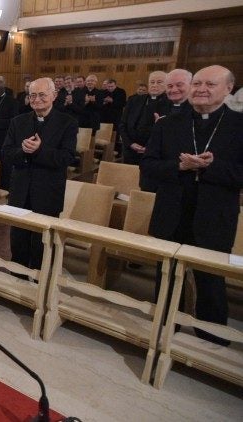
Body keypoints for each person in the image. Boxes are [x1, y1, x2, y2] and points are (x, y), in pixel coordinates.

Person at [141, 65, 242, 346]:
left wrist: (211, 168)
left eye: (210, 84)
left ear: (228, 89)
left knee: (210, 279)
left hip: (215, 216)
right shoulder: (167, 124)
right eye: (197, 83)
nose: (201, 89)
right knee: (167, 274)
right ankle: (165, 324)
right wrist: (180, 166)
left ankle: (212, 337)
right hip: (172, 211)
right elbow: (149, 166)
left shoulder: (238, 126)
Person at [3, 77, 77, 272]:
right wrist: (23, 151)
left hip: (47, 193)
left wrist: (39, 150)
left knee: (41, 246)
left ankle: (37, 286)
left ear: (53, 95)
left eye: (42, 95)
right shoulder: (18, 121)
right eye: (32, 95)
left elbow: (67, 158)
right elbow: (7, 153)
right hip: (20, 192)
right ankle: (16, 279)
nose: (37, 99)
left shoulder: (67, 123)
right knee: (18, 241)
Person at [119, 71, 168, 167]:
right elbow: (122, 124)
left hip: (155, 154)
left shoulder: (170, 104)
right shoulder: (134, 100)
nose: (154, 85)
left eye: (159, 82)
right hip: (131, 150)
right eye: (152, 82)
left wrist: (150, 148)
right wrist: (130, 143)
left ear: (167, 84)